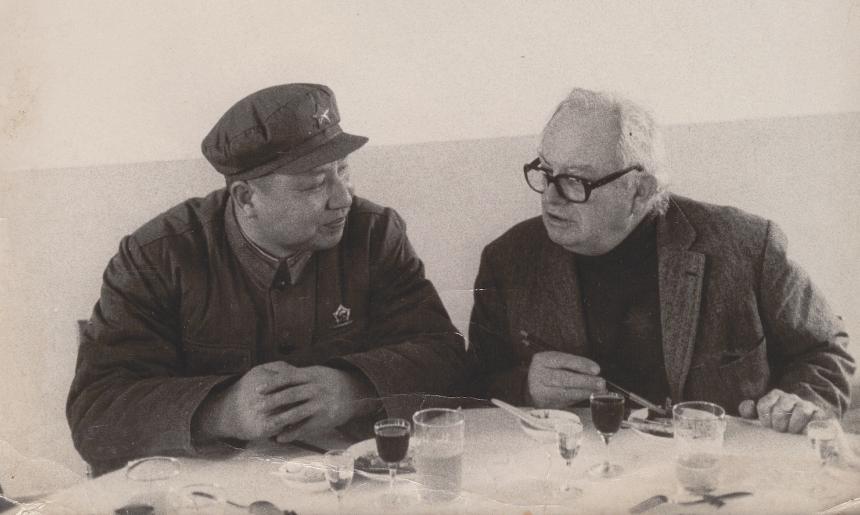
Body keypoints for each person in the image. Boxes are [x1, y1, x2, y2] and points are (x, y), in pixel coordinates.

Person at [67, 83, 472, 474]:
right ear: (245, 198)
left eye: (343, 170)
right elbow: (94, 413)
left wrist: (353, 389)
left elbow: (447, 358)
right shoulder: (157, 256)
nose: (343, 197)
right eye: (315, 183)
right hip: (211, 493)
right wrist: (220, 411)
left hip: (350, 484)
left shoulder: (374, 233)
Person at [469, 87, 854, 434]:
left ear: (640, 191)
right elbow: (472, 384)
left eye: (576, 180)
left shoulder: (747, 246)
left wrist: (801, 401)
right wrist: (525, 387)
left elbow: (825, 352)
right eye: (545, 170)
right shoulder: (509, 260)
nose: (550, 197)